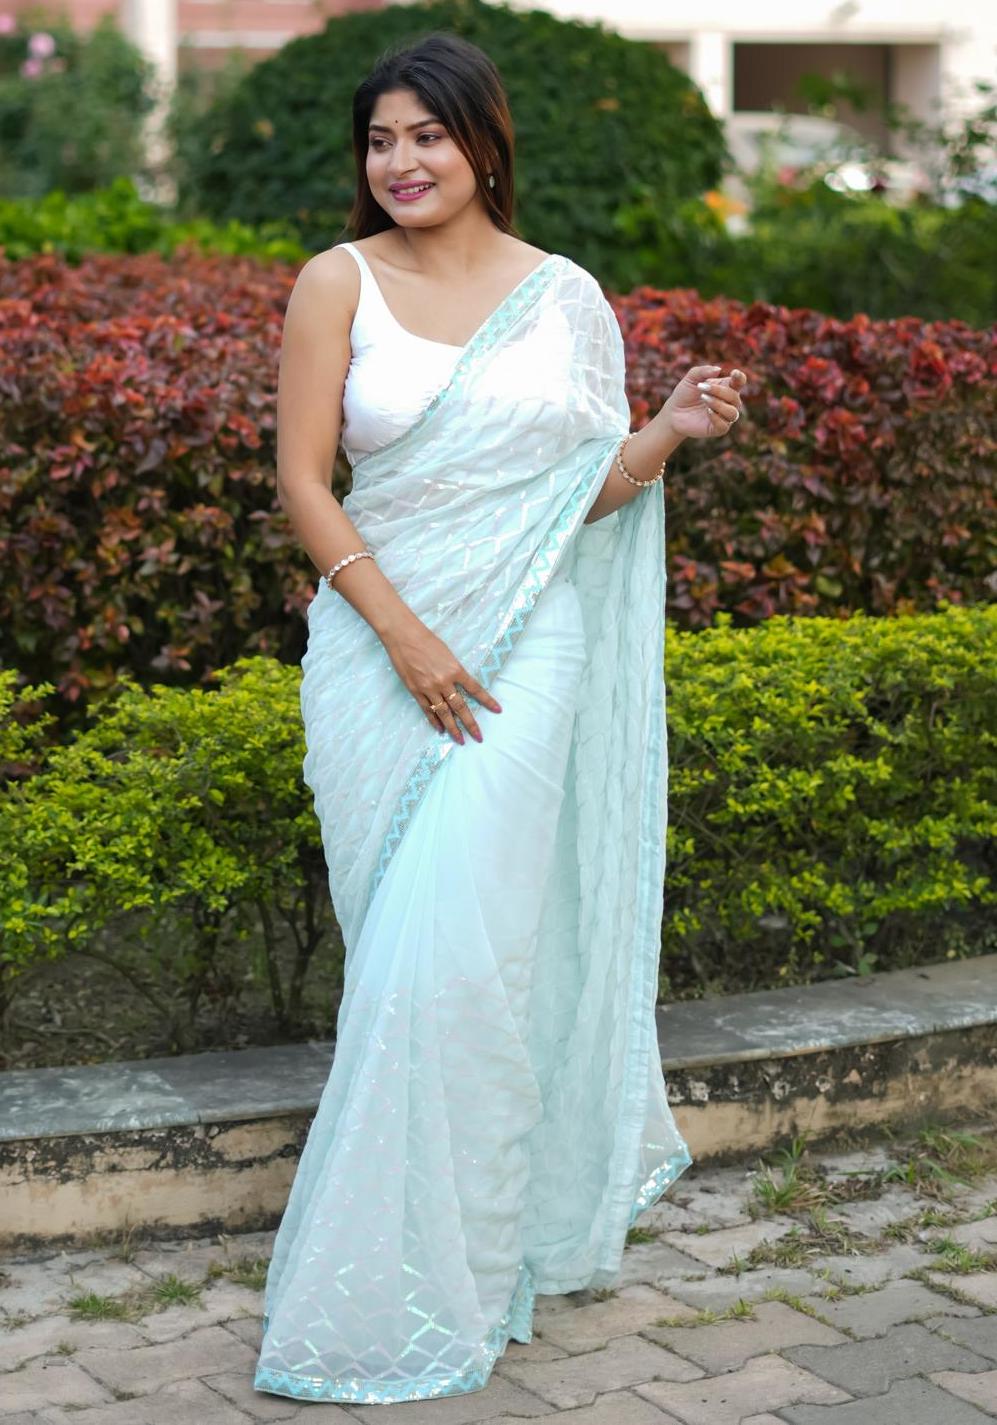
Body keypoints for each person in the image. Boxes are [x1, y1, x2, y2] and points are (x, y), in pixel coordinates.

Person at [253, 30, 746, 1407]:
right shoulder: (337, 282)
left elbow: (584, 493)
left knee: (463, 967)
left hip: (525, 657)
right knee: (401, 963)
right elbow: (304, 482)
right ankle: (424, 1273)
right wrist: (405, 636)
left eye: (427, 135)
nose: (400, 162)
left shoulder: (564, 297)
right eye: (379, 140)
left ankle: (450, 1280)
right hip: (377, 652)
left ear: (484, 143)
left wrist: (666, 431)